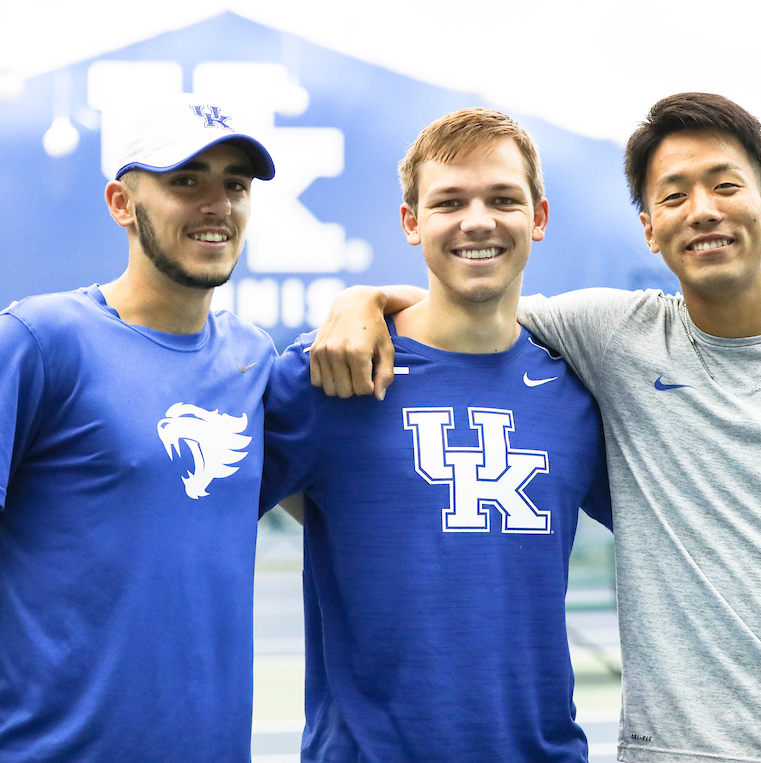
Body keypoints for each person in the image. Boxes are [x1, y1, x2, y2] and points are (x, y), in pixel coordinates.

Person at [308, 93, 761, 762]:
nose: (704, 211)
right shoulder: (612, 335)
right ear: (649, 229)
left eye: (725, 185)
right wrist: (359, 301)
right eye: (674, 196)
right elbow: (469, 299)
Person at [0, 94, 281, 763]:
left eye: (234, 183)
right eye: (186, 181)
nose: (217, 204)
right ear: (122, 204)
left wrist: (372, 300)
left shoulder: (255, 362)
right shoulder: (35, 341)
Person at [261, 108, 612, 762]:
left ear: (537, 216)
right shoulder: (335, 371)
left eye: (502, 199)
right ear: (412, 222)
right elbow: (188, 509)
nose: (477, 220)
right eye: (449, 201)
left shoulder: (581, 395)